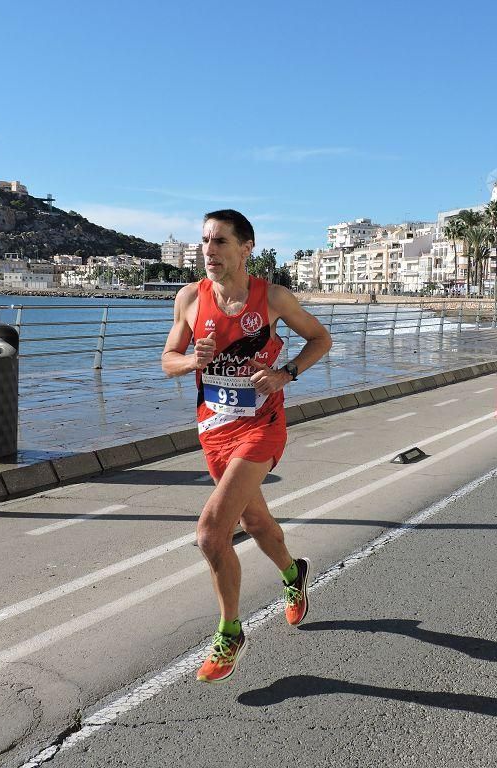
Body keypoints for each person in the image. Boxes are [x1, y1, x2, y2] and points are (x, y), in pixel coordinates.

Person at [161, 209, 333, 683]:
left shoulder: (272, 297)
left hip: (261, 426)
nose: (209, 252)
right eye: (204, 242)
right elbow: (167, 360)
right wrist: (188, 360)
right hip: (213, 431)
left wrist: (285, 373)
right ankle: (294, 575)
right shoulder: (190, 298)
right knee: (256, 522)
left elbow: (321, 338)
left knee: (211, 533)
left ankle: (230, 631)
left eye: (219, 242)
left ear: (245, 248)